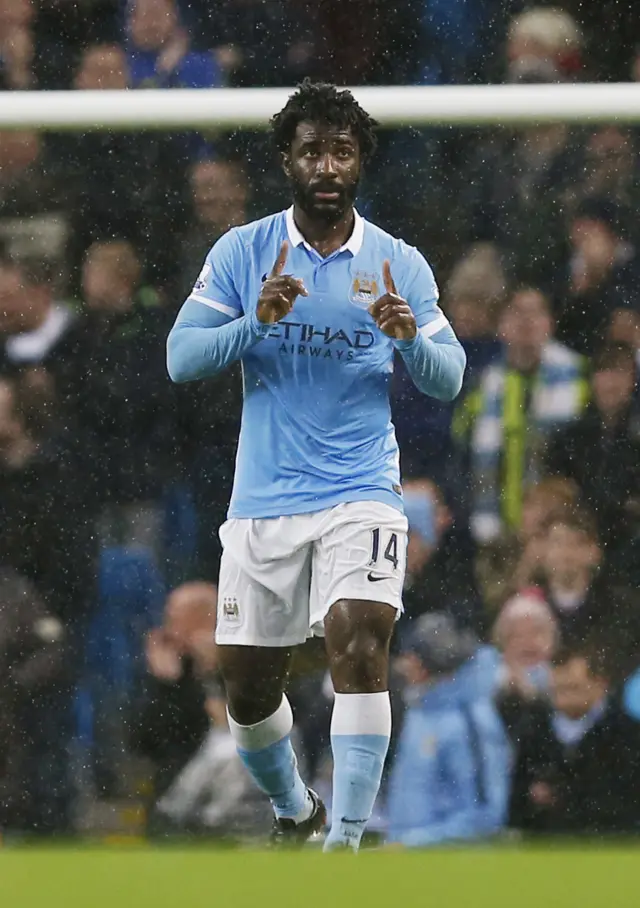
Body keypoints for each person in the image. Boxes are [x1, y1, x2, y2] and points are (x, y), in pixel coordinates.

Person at [167, 79, 466, 851]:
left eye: (341, 150)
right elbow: (180, 358)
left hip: (361, 488)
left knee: (361, 642)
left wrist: (410, 340)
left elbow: (449, 376)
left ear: (360, 160)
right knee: (247, 691)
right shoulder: (243, 251)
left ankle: (347, 840)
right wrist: (251, 324)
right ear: (287, 162)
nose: (327, 165)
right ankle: (297, 810)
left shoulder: (398, 263)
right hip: (264, 499)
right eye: (312, 151)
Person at [386, 613, 510, 848]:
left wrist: (410, 846)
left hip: (456, 874)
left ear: (428, 662)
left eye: (410, 656)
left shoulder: (471, 719)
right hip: (409, 872)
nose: (402, 665)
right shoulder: (418, 711)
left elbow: (485, 816)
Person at [509, 644, 640, 835]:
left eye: (573, 689)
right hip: (545, 846)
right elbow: (518, 800)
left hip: (612, 843)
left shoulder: (629, 733)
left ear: (601, 684)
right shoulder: (534, 730)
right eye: (557, 690)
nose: (563, 699)